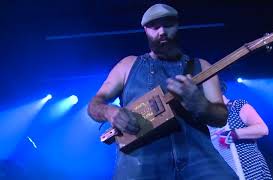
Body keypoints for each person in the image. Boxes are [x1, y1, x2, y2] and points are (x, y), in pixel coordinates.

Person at [87, 4, 237, 179]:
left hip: (199, 160)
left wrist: (199, 103)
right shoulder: (128, 65)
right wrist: (110, 112)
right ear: (145, 30)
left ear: (178, 25)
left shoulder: (202, 66)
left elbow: (221, 117)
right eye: (154, 27)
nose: (162, 32)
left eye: (168, 25)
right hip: (141, 165)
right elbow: (94, 104)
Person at [208, 82, 272, 180]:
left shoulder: (236, 105)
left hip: (252, 169)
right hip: (228, 173)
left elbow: (262, 129)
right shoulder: (208, 119)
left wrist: (232, 134)